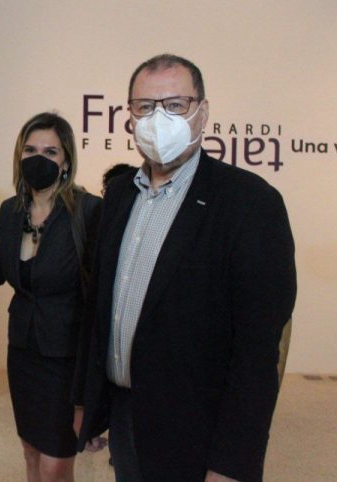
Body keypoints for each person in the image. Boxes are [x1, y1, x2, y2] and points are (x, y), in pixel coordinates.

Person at [73, 54, 296, 482]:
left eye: (175, 105)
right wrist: (90, 402)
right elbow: (99, 308)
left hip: (198, 431)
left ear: (203, 113)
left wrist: (232, 464)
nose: (159, 120)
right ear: (129, 117)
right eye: (145, 107)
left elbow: (257, 353)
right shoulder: (119, 195)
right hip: (126, 417)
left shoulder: (250, 204)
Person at [0, 112, 103, 482]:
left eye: (50, 151)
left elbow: (100, 296)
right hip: (22, 351)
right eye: (30, 150)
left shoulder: (87, 211)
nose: (39, 158)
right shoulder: (11, 211)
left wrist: (94, 388)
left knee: (56, 463)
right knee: (30, 450)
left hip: (66, 357)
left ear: (66, 161)